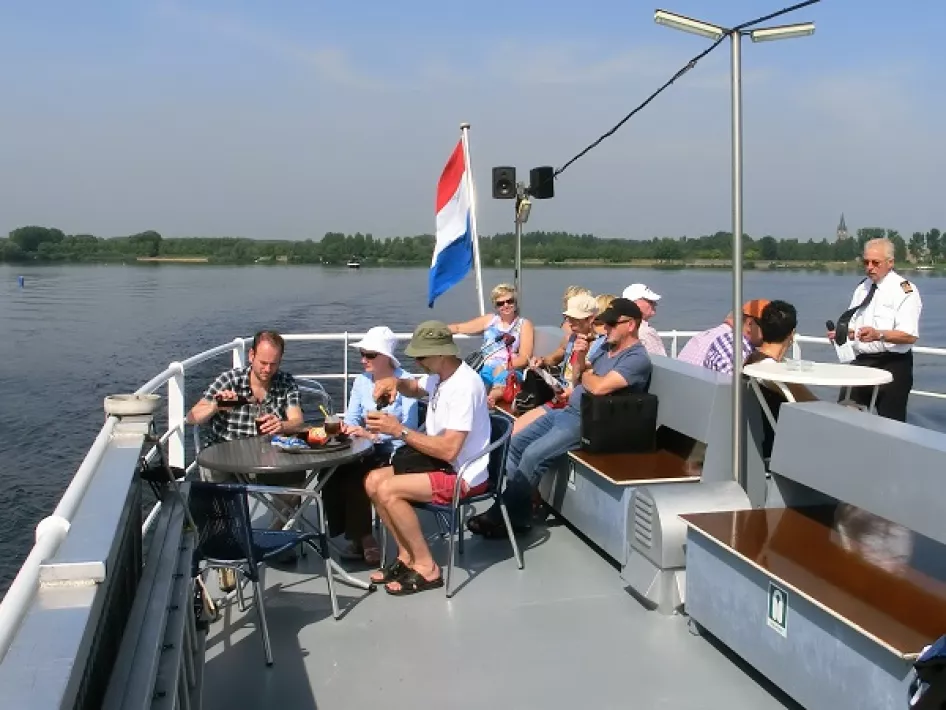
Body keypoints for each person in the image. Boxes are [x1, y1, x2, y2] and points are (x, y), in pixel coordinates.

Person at [468, 298, 652, 536]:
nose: (606, 329)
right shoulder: (606, 349)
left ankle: (499, 513)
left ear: (631, 325)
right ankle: (519, 516)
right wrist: (583, 362)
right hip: (568, 411)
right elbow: (578, 378)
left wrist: (588, 375)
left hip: (590, 423)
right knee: (514, 444)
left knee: (533, 455)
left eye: (612, 324)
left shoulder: (636, 358)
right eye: (605, 324)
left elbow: (599, 388)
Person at [363, 321, 491, 595]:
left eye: (421, 355)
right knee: (373, 481)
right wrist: (394, 382)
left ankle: (427, 568)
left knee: (388, 489)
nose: (417, 360)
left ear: (442, 353)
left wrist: (398, 429)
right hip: (441, 466)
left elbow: (448, 450)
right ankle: (406, 557)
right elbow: (414, 386)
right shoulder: (440, 376)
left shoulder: (464, 387)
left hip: (462, 474)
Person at [186, 330, 304, 590]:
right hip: (227, 453)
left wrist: (281, 424)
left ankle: (276, 532)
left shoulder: (285, 382)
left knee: (296, 481)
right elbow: (193, 417)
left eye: (273, 364)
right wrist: (217, 405)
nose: (267, 369)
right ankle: (224, 556)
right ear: (251, 356)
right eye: (263, 363)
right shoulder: (230, 380)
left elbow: (297, 420)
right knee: (216, 491)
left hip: (268, 454)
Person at [322, 326, 418, 566]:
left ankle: (363, 539)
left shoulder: (406, 384)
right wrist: (350, 428)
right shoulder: (361, 382)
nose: (364, 359)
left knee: (357, 473)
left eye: (370, 355)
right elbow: (353, 416)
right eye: (362, 354)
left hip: (394, 451)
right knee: (330, 467)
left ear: (387, 357)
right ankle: (356, 534)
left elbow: (409, 430)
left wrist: (372, 436)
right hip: (363, 446)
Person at [827, 237, 922, 422]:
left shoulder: (904, 291)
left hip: (893, 363)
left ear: (890, 263)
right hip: (862, 361)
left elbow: (909, 336)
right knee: (846, 416)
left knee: (891, 424)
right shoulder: (863, 287)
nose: (870, 267)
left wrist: (878, 334)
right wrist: (845, 334)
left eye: (875, 262)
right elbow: (856, 325)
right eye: (866, 262)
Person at [515, 293, 604, 435]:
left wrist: (573, 391)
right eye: (569, 319)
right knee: (514, 430)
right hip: (559, 399)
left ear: (591, 319)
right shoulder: (570, 339)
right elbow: (554, 358)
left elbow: (594, 380)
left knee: (528, 436)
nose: (570, 323)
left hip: (577, 405)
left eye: (576, 319)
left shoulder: (602, 346)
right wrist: (541, 361)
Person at [743, 300, 817, 458]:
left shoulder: (752, 360)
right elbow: (814, 405)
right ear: (792, 334)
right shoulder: (772, 372)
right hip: (778, 447)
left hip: (756, 439)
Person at [449, 283, 535, 405]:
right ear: (496, 306)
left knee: (503, 377)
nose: (506, 305)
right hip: (485, 365)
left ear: (515, 302)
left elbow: (524, 358)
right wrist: (438, 330)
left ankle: (491, 399)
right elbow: (459, 328)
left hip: (509, 369)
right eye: (501, 303)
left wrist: (504, 366)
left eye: (509, 301)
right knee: (464, 379)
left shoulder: (524, 324)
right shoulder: (490, 320)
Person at [678, 300, 768, 368]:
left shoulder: (702, 337)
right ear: (750, 324)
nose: (770, 333)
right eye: (767, 327)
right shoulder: (736, 347)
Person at [702, 299, 768, 374]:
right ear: (750, 324)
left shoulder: (733, 342)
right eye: (767, 327)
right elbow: (731, 383)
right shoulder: (734, 349)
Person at [622, 283, 667, 356]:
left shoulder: (621, 327)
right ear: (635, 304)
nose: (655, 304)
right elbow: (662, 362)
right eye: (650, 301)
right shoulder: (645, 332)